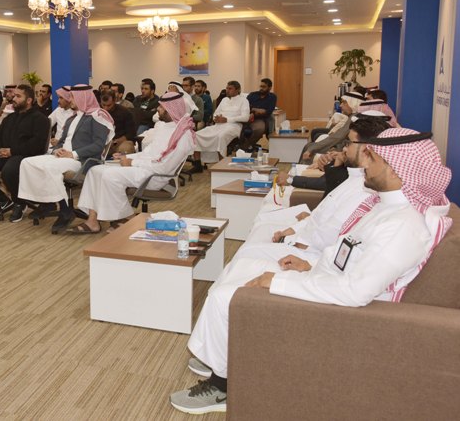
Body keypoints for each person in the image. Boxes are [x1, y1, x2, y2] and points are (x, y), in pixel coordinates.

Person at [169, 128, 452, 415]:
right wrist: (311, 265)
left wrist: (277, 283)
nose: (364, 164)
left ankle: (222, 386)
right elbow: (350, 259)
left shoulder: (403, 227)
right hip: (327, 281)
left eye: (373, 158)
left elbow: (355, 292)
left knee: (226, 297)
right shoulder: (386, 208)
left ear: (396, 169)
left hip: (342, 310)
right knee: (242, 266)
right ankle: (222, 358)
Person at [244, 116, 389, 247]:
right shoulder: (356, 175)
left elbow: (330, 234)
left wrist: (289, 239)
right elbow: (327, 206)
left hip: (311, 247)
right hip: (309, 230)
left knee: (254, 241)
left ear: (366, 149)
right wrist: (296, 228)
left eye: (348, 143)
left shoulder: (366, 187)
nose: (344, 148)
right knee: (260, 225)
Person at [71, 91, 195, 234]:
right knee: (95, 170)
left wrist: (132, 162)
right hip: (145, 168)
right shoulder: (164, 127)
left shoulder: (183, 135)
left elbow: (164, 167)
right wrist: (127, 157)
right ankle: (92, 221)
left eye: (161, 107)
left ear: (170, 109)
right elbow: (148, 153)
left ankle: (127, 217)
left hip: (155, 176)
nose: (158, 109)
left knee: (110, 176)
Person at [18, 85, 113, 229]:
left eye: (72, 97)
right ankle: (46, 202)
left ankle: (64, 209)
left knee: (49, 167)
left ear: (82, 98)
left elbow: (98, 145)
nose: (70, 100)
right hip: (63, 156)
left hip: (80, 160)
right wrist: (57, 150)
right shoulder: (72, 118)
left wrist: (72, 154)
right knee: (27, 162)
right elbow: (61, 141)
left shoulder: (97, 116)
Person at [0, 84, 49, 218]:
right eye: (14, 95)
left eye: (18, 96)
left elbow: (37, 145)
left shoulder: (40, 119)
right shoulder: (9, 118)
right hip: (5, 154)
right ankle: (2, 200)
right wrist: (0, 149)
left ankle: (19, 203)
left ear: (29, 100)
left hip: (26, 155)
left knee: (8, 172)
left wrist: (12, 151)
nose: (13, 98)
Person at [190, 80, 250, 171]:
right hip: (218, 125)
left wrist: (227, 119)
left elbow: (245, 117)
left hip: (234, 126)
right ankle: (197, 165)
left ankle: (221, 166)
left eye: (230, 88)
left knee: (220, 136)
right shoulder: (224, 100)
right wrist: (216, 118)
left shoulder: (243, 101)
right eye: (227, 88)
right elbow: (216, 113)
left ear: (237, 90)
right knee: (197, 135)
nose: (227, 90)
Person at [300, 92, 363, 163]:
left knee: (309, 150)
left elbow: (337, 137)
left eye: (344, 102)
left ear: (353, 104)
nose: (340, 105)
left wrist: (312, 149)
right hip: (342, 147)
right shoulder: (353, 116)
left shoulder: (354, 118)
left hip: (343, 151)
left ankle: (302, 169)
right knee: (309, 146)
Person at [241, 78, 277, 151]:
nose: (261, 88)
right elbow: (245, 107)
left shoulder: (272, 97)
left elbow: (268, 112)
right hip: (248, 117)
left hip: (262, 119)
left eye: (264, 87)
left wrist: (253, 109)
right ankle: (242, 145)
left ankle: (246, 146)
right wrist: (256, 110)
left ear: (270, 88)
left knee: (258, 129)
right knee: (239, 128)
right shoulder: (252, 95)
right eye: (261, 86)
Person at [101, 90, 137, 156]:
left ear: (114, 101)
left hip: (119, 143)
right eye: (103, 105)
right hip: (101, 143)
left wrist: (116, 142)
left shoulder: (125, 112)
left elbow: (131, 133)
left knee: (127, 148)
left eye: (109, 105)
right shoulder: (97, 112)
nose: (105, 108)